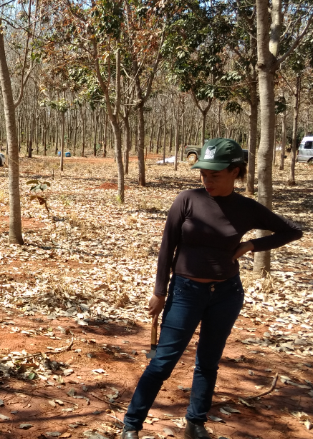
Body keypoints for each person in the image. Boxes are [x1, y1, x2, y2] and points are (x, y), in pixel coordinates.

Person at [120, 138, 303, 439]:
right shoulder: (187, 200)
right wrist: (159, 291)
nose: (207, 180)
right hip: (185, 293)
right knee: (162, 362)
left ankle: (196, 422)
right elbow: (168, 246)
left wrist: (251, 245)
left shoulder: (247, 208)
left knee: (208, 362)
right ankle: (132, 425)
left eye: (215, 175)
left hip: (226, 295)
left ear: (235, 171)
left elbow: (292, 230)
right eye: (204, 174)